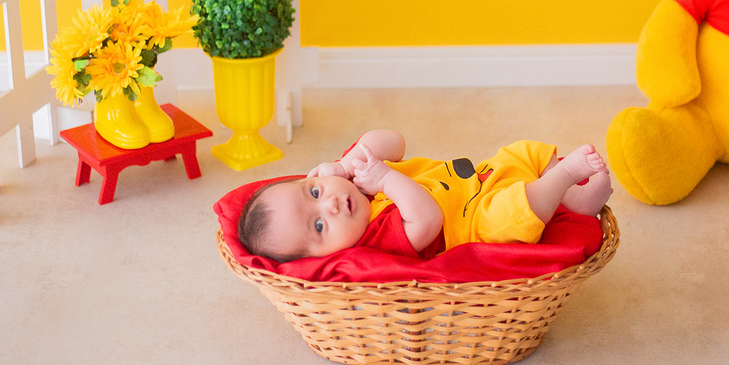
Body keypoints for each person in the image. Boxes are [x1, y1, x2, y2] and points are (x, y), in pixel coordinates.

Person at [238, 129, 612, 263]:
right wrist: (385, 179)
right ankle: (565, 176)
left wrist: (345, 163)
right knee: (513, 212)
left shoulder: (353, 175)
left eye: (315, 192)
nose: (331, 204)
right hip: (477, 220)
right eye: (319, 225)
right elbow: (428, 220)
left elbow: (394, 142)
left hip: (480, 177)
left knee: (523, 151)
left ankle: (576, 202)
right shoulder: (374, 238)